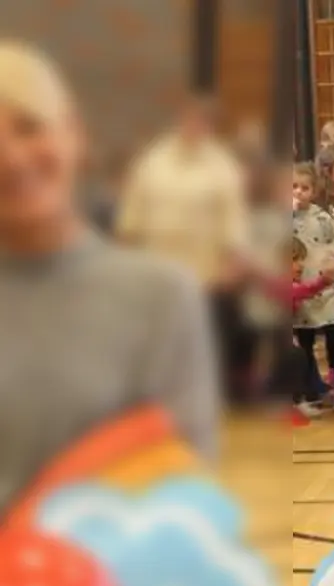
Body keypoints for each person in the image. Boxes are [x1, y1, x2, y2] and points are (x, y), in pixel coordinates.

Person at [0, 41, 218, 508]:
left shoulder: (160, 298)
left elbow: (181, 492)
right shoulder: (155, 168)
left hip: (106, 557)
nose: (11, 157)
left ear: (74, 133)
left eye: (29, 128)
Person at [115, 93, 250, 400]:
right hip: (155, 265)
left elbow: (233, 219)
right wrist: (124, 253)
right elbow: (132, 211)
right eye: (189, 120)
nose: (193, 126)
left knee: (199, 339)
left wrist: (233, 260)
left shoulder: (223, 167)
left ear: (209, 126)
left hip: (204, 271)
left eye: (201, 122)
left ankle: (198, 396)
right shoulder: (152, 161)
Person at [291, 163, 334, 412]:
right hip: (299, 286)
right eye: (293, 187)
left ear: (314, 191)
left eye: (304, 188)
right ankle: (310, 391)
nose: (298, 192)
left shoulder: (322, 218)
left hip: (325, 288)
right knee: (304, 342)